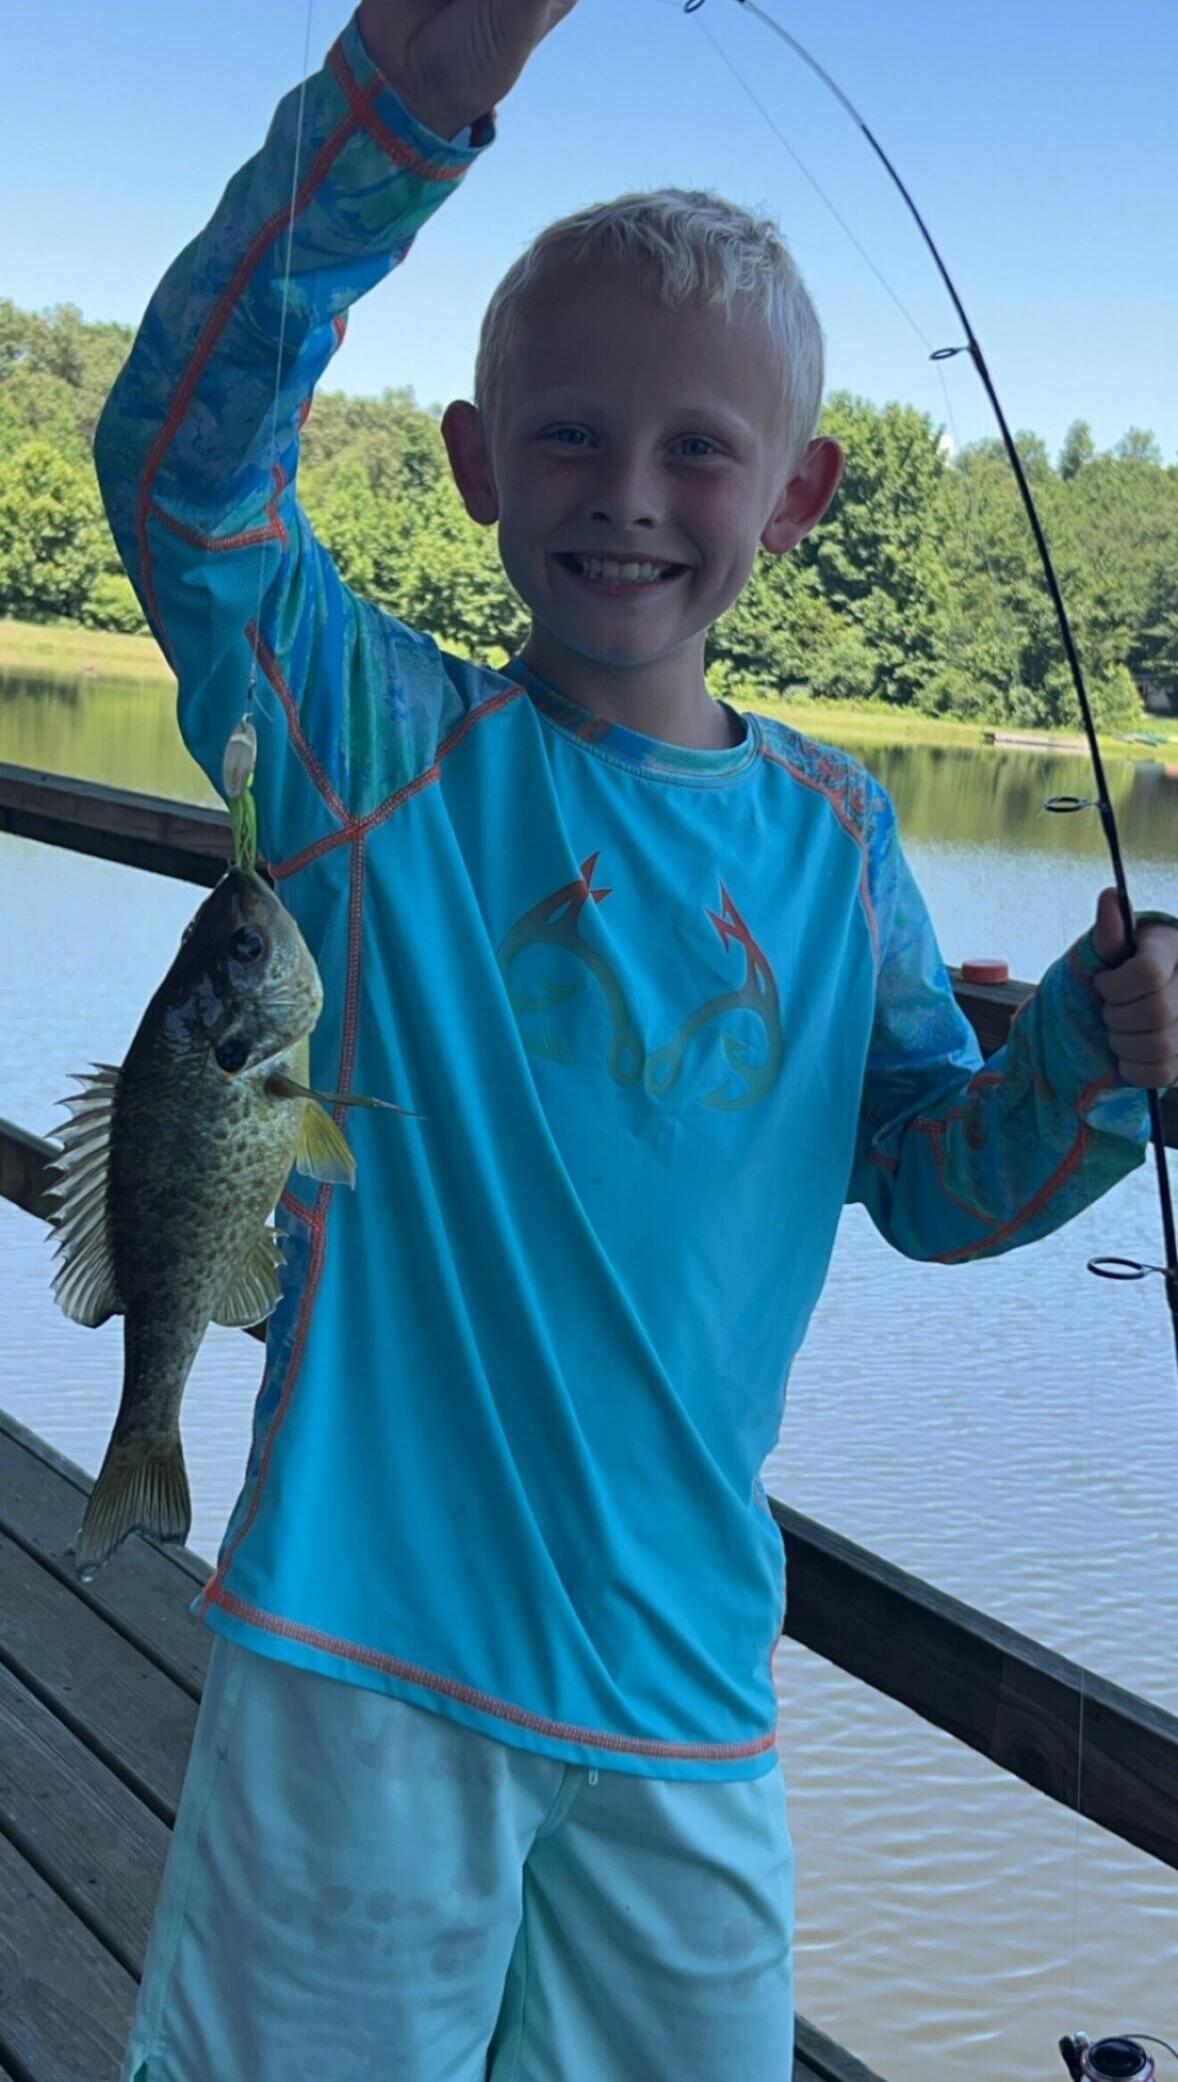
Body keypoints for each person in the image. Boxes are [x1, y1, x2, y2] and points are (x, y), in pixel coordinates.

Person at [94, 3, 1178, 2077]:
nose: (630, 493)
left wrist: (1090, 1071)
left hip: (683, 1680)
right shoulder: (376, 756)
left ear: (797, 500)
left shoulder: (843, 837)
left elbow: (941, 1187)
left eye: (701, 446)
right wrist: (409, 95)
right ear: (480, 468)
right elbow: (182, 460)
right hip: (359, 1653)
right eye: (571, 436)